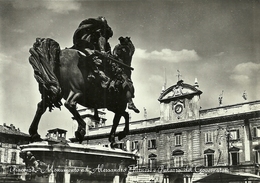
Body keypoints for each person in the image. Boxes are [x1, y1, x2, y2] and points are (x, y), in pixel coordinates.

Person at [72, 16, 113, 85]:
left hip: (82, 46)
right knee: (96, 60)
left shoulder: (89, 32)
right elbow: (101, 43)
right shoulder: (99, 35)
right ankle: (95, 74)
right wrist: (102, 51)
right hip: (87, 48)